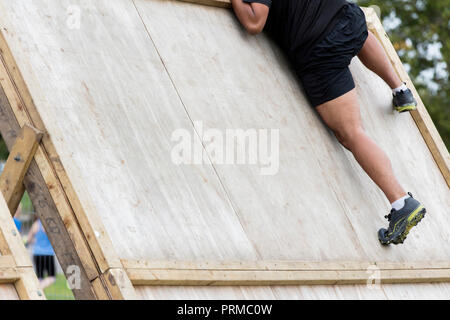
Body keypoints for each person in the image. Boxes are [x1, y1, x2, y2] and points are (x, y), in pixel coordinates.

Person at [231, 0, 426, 245]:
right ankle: (399, 89)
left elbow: (254, 21)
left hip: (319, 48)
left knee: (350, 133)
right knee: (358, 29)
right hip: (346, 16)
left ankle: (401, 202)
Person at [27, 219, 56, 289]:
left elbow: (29, 239)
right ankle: (38, 289)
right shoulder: (50, 223)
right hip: (48, 254)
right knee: (51, 278)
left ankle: (38, 291)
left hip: (37, 254)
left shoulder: (36, 224)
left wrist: (37, 241)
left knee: (40, 278)